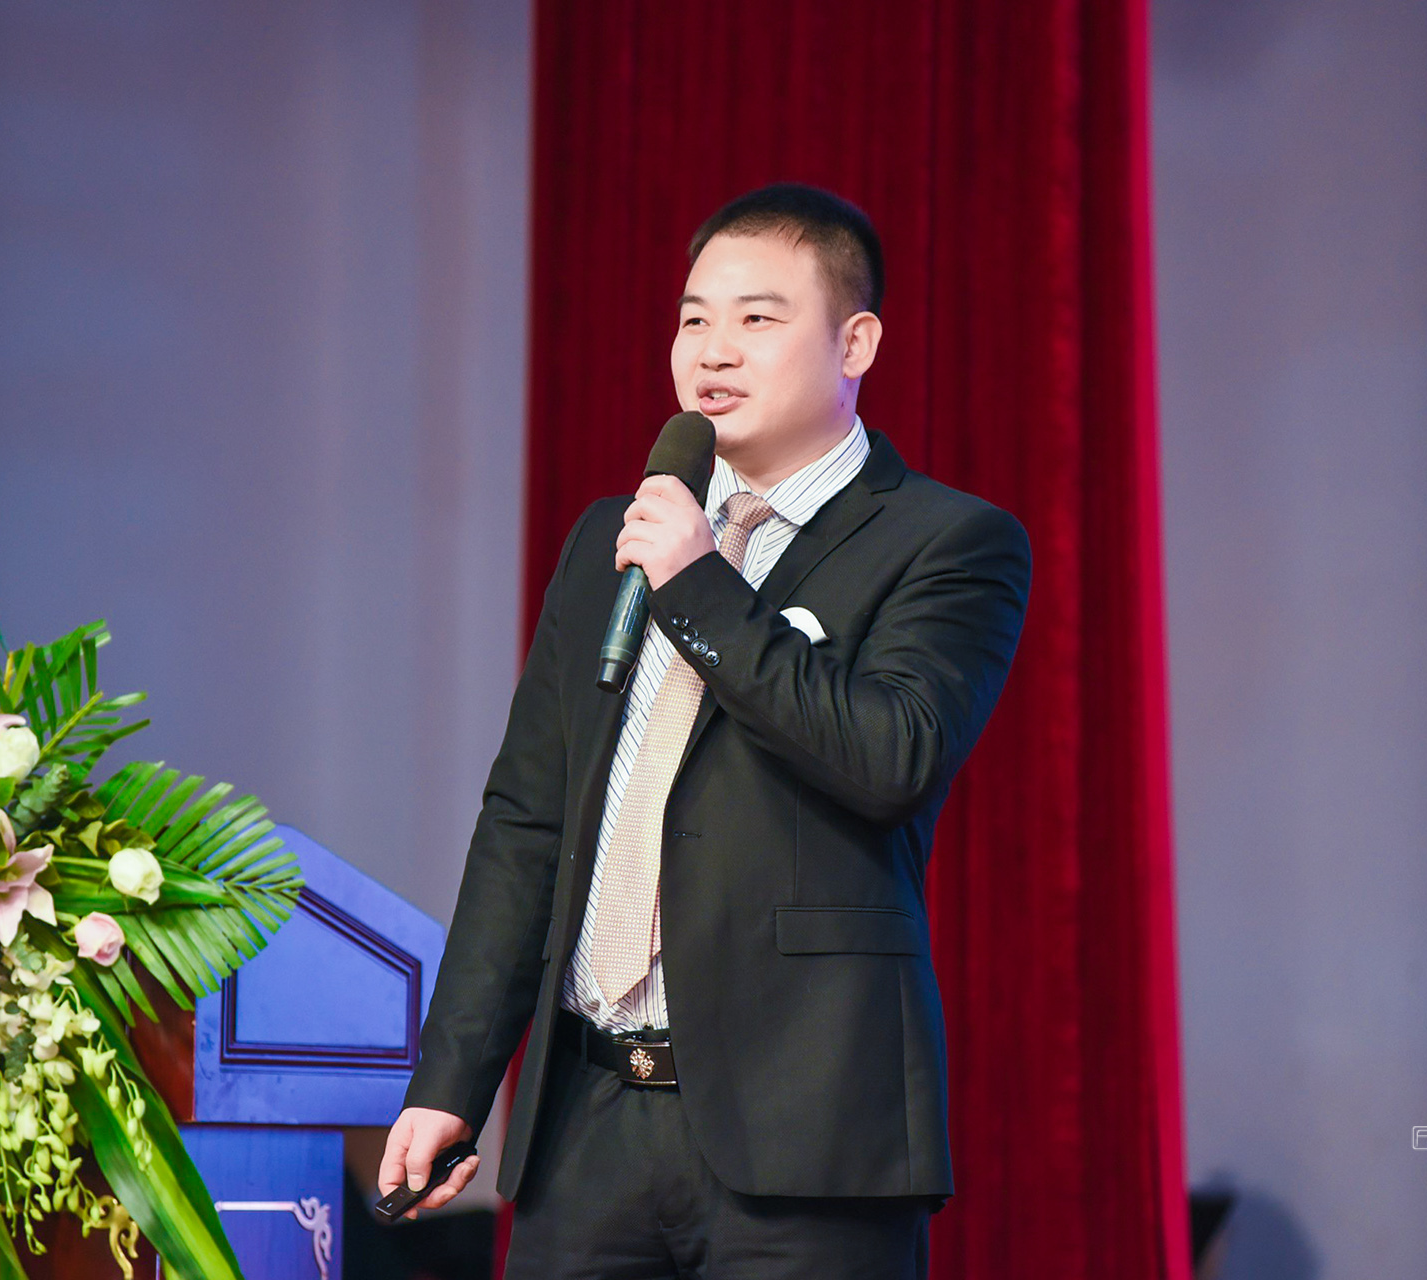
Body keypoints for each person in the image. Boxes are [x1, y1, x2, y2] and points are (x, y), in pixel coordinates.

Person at [379, 182, 1032, 1279]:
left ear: (856, 342)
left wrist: (700, 584)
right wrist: (453, 1080)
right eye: (693, 318)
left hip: (805, 1139)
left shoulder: (947, 542)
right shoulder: (614, 538)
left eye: (757, 317)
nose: (712, 350)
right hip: (585, 1128)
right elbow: (528, 823)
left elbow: (890, 756)